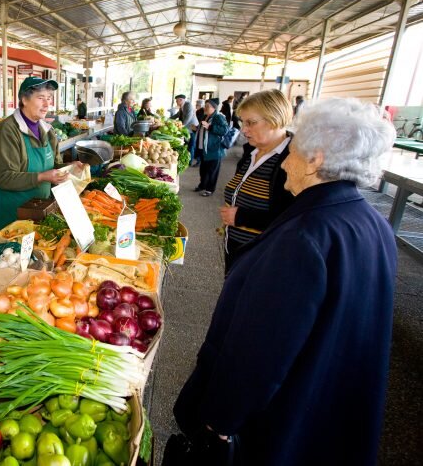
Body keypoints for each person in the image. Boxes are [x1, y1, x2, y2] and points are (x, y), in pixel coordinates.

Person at [169, 97, 397, 466]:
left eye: (295, 147)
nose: (287, 157)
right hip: (331, 403)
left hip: (283, 417)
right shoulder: (371, 223)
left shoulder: (304, 238)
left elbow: (262, 347)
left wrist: (220, 419)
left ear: (316, 158)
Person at [0, 76, 82, 233]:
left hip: (39, 209)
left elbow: (54, 165)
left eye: (49, 98)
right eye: (41, 98)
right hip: (11, 214)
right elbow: (2, 177)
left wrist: (69, 167)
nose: (46, 104)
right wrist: (42, 177)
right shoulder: (8, 131)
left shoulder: (47, 130)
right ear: (24, 99)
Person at [220, 89, 294, 273]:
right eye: (242, 122)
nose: (244, 129)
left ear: (274, 119)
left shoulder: (292, 160)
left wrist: (242, 217)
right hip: (237, 248)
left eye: (251, 123)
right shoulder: (251, 152)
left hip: (264, 256)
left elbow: (293, 217)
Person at [193, 98, 227, 196]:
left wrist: (210, 127)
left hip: (214, 150)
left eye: (208, 106)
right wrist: (196, 129)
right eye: (205, 106)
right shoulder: (206, 116)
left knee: (212, 171)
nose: (205, 108)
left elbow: (224, 130)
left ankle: (210, 189)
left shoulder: (218, 117)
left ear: (214, 108)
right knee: (203, 170)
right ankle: (202, 185)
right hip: (205, 149)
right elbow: (203, 131)